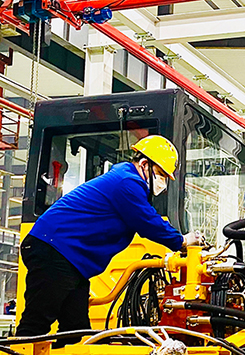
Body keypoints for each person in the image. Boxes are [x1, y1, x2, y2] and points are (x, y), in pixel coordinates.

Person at [16, 135, 203, 344]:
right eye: (160, 174)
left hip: (67, 258)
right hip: (53, 249)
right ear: (144, 164)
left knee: (75, 329)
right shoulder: (127, 182)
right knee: (37, 321)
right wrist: (182, 241)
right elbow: (147, 221)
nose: (163, 183)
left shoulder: (125, 180)